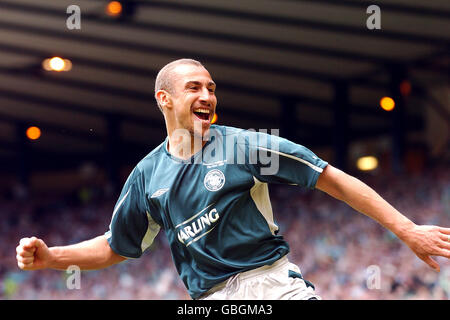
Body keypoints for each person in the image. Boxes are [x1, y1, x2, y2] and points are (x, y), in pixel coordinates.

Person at [16, 58, 450, 300]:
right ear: (164, 100)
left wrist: (407, 230)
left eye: (211, 87)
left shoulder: (246, 146)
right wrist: (52, 257)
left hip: (273, 288)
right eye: (194, 88)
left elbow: (330, 178)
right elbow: (116, 245)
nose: (207, 96)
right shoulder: (146, 177)